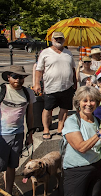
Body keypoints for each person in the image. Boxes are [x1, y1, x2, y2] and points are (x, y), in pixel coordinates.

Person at [62, 86, 101, 196]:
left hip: (96, 167)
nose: (89, 104)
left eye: (92, 100)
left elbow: (100, 142)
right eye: (85, 101)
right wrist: (100, 132)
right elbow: (81, 147)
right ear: (78, 103)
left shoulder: (97, 120)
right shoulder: (71, 121)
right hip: (76, 171)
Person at [34, 31, 77, 140]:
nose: (58, 40)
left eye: (61, 39)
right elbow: (39, 70)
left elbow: (73, 69)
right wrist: (36, 83)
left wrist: (75, 83)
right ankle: (46, 129)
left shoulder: (68, 53)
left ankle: (60, 128)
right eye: (56, 38)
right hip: (50, 87)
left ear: (64, 40)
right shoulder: (45, 52)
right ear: (52, 40)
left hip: (67, 87)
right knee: (48, 109)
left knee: (64, 109)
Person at [0, 66, 35, 195]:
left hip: (18, 135)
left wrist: (29, 134)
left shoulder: (28, 93)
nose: (18, 80)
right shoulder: (2, 90)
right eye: (15, 76)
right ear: (8, 77)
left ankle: (8, 191)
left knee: (12, 166)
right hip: (1, 135)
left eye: (21, 77)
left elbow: (30, 115)